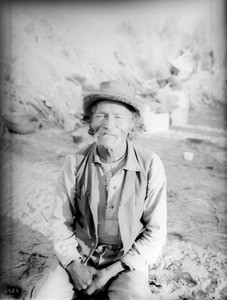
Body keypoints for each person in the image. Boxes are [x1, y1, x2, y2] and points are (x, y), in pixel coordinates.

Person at [29, 80, 167, 300]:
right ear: (90, 124)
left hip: (125, 262)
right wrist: (74, 265)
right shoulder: (74, 163)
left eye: (118, 117)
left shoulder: (150, 164)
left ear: (132, 124)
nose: (108, 124)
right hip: (81, 256)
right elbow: (60, 221)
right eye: (101, 116)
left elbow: (156, 230)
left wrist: (110, 272)